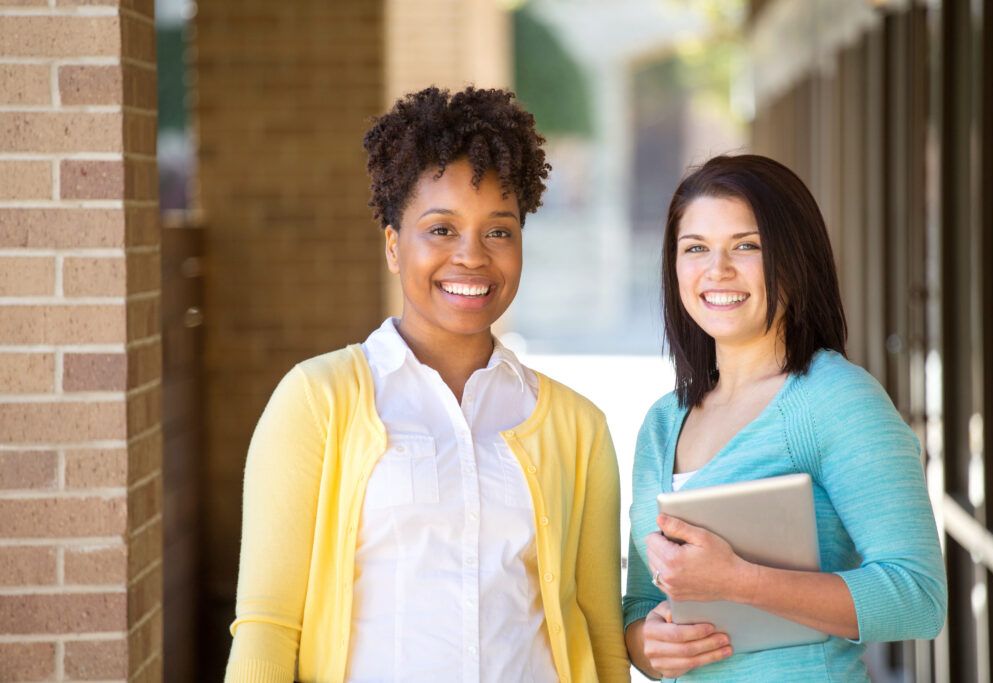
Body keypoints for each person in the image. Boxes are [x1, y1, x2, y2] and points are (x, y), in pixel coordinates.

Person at [224, 86, 629, 682]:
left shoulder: (579, 426)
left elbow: (599, 634)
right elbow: (267, 625)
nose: (471, 256)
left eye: (499, 231)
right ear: (393, 246)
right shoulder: (317, 402)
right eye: (440, 229)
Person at [622, 154, 947, 681]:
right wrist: (646, 644)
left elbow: (917, 597)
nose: (717, 269)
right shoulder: (662, 424)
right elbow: (641, 603)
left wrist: (739, 582)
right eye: (696, 248)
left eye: (747, 246)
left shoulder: (835, 399)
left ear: (795, 260)